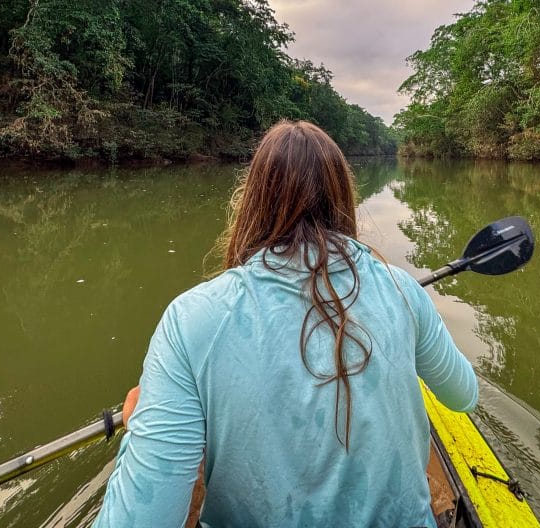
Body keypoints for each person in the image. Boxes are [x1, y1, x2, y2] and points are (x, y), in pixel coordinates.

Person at [92, 120, 477, 528]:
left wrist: (139, 429)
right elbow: (463, 396)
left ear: (253, 200)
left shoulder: (190, 318)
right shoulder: (402, 291)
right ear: (343, 196)